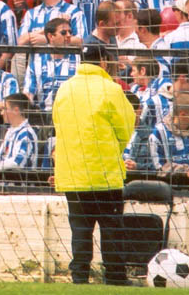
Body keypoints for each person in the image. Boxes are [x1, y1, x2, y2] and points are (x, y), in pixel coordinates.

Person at [52, 43, 135, 286]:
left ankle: (79, 278)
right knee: (111, 229)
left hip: (72, 174)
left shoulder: (64, 89)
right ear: (105, 62)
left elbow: (57, 124)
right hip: (104, 173)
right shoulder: (111, 89)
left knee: (80, 230)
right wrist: (113, 150)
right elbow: (126, 126)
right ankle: (115, 278)